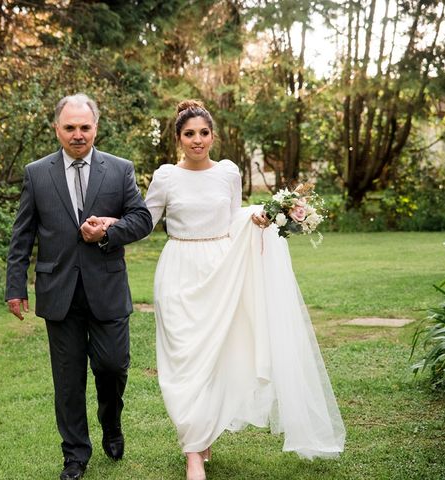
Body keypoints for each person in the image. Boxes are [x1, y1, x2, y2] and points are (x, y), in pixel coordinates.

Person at [143, 100, 345, 480]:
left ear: (213, 136)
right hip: (178, 270)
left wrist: (260, 215)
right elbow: (144, 220)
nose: (197, 140)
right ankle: (194, 444)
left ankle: (195, 449)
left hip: (222, 269)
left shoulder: (228, 173)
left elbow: (233, 216)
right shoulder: (166, 176)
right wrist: (109, 228)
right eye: (189, 134)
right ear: (178, 138)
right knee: (182, 361)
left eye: (204, 133)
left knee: (215, 358)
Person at [4, 93, 153, 480]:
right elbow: (23, 235)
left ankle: (112, 423)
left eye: (84, 127)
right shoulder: (37, 173)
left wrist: (108, 231)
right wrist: (15, 286)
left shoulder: (119, 170)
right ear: (57, 129)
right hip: (59, 294)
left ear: (96, 128)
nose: (77, 134)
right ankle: (75, 455)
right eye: (69, 127)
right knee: (68, 381)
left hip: (107, 289)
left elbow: (142, 220)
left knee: (112, 367)